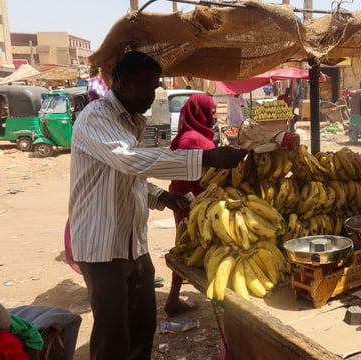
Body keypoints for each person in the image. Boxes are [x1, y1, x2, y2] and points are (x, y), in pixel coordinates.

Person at [68, 51, 246, 360]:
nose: (155, 94)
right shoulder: (97, 116)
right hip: (101, 246)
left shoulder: (136, 121)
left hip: (134, 243)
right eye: (148, 85)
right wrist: (206, 158)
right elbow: (128, 160)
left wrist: (160, 196)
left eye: (157, 85)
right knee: (112, 336)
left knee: (143, 327)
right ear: (123, 83)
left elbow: (129, 177)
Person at [164, 93, 217, 317]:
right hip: (191, 201)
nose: (213, 117)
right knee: (190, 246)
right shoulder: (193, 139)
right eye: (211, 112)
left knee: (187, 245)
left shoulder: (188, 134)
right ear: (199, 113)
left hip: (187, 197)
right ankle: (174, 298)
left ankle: (174, 297)